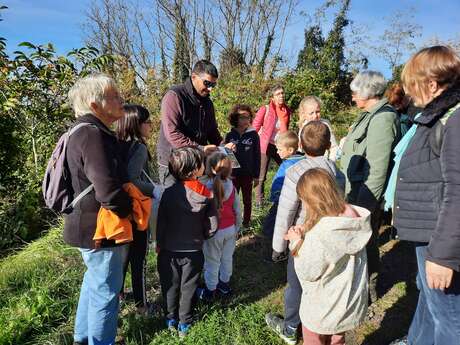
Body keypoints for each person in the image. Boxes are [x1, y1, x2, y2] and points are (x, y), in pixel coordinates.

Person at [390, 46, 460, 345]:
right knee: (431, 303)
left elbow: (458, 191)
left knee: (451, 320)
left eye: (412, 83)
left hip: (440, 239)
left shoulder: (454, 120)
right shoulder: (437, 114)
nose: (407, 91)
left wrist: (443, 256)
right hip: (430, 233)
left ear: (432, 84)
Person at [65, 74, 132, 345]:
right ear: (95, 105)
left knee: (93, 284)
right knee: (106, 291)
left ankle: (83, 338)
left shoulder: (80, 131)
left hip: (84, 224)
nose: (121, 100)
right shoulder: (93, 135)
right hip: (100, 228)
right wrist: (129, 209)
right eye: (114, 96)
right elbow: (107, 189)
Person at [265, 121, 337, 345]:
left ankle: (290, 327)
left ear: (301, 147)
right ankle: (323, 325)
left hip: (301, 239)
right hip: (328, 238)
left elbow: (286, 212)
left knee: (295, 284)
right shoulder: (335, 170)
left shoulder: (296, 171)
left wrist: (278, 247)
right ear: (327, 146)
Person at [285, 168, 372, 345]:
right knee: (337, 338)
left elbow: (308, 271)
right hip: (347, 305)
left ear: (311, 200)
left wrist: (296, 242)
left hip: (322, 308)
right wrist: (306, 229)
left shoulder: (321, 234)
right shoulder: (353, 220)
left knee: (314, 339)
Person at [339, 70, 400, 304]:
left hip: (365, 195)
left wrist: (363, 207)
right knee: (363, 241)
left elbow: (377, 169)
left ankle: (369, 286)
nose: (352, 97)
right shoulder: (368, 114)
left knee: (366, 240)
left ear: (367, 93)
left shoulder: (383, 118)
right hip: (354, 189)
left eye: (355, 93)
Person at [156, 146, 218, 338]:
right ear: (194, 170)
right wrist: (204, 235)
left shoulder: (168, 193)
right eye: (201, 163)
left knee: (170, 285)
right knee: (189, 286)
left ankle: (170, 318)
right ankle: (185, 322)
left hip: (168, 250)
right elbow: (213, 226)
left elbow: (161, 222)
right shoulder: (206, 195)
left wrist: (159, 242)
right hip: (194, 251)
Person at [115, 104, 157, 315]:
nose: (151, 125)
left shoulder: (116, 144)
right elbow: (133, 178)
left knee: (121, 258)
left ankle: (119, 296)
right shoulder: (138, 147)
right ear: (136, 124)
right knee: (138, 259)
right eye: (147, 122)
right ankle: (142, 305)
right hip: (137, 209)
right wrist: (155, 189)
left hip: (118, 210)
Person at [156, 60, 225, 187]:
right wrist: (200, 149)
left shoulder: (208, 103)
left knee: (197, 202)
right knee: (173, 203)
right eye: (207, 83)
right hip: (173, 163)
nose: (210, 89)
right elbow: (172, 134)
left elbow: (212, 131)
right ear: (194, 77)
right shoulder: (174, 96)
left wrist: (224, 147)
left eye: (213, 85)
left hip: (196, 164)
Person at [198, 152, 242, 300]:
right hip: (230, 229)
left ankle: (210, 291)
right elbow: (237, 209)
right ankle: (224, 285)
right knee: (227, 258)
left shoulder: (205, 188)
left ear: (210, 168)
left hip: (213, 232)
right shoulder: (231, 186)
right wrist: (237, 227)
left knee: (212, 262)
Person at [263, 130, 303, 250]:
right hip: (297, 200)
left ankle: (273, 246)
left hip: (282, 200)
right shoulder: (302, 161)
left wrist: (274, 196)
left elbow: (278, 183)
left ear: (290, 150)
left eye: (280, 149)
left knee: (272, 223)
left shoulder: (287, 165)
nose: (277, 152)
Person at [253, 85, 292, 206]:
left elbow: (286, 128)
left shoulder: (286, 110)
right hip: (265, 145)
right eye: (278, 94)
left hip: (280, 145)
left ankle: (287, 196)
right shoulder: (265, 109)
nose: (281, 96)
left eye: (282, 93)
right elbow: (255, 127)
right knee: (261, 175)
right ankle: (259, 202)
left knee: (289, 169)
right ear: (272, 97)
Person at [224, 104, 261, 228]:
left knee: (247, 200)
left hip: (248, 174)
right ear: (235, 118)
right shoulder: (230, 136)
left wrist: (256, 176)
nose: (246, 120)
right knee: (232, 200)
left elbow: (257, 156)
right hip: (233, 175)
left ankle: (246, 223)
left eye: (248, 117)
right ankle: (233, 223)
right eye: (242, 117)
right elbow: (226, 154)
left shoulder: (253, 135)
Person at [297, 96, 339, 161]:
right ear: (304, 114)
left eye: (317, 112)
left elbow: (333, 146)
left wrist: (331, 161)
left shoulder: (325, 124)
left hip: (324, 161)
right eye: (311, 113)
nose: (315, 116)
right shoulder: (303, 128)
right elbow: (300, 150)